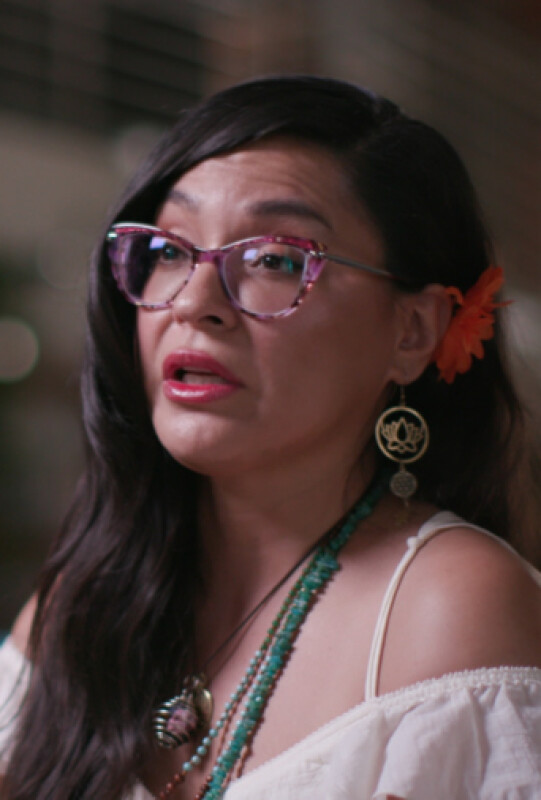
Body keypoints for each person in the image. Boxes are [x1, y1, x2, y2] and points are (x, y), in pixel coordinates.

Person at [1, 75, 540, 800]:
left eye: (276, 260)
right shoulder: (83, 600)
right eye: (168, 250)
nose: (195, 303)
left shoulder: (448, 606)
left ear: (413, 331)